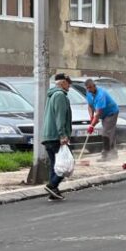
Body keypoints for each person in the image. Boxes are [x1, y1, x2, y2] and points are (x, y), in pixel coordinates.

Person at [41, 73, 73, 201]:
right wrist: (63, 135)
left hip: (49, 135)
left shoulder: (52, 95)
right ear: (63, 83)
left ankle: (53, 192)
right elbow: (60, 117)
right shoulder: (59, 95)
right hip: (56, 136)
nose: (69, 86)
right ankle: (52, 185)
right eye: (68, 83)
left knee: (56, 165)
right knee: (66, 164)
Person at [85, 79, 120, 161]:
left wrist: (91, 126)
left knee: (105, 133)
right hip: (103, 115)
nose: (89, 90)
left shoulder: (101, 95)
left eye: (90, 87)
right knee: (109, 133)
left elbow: (98, 113)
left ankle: (106, 155)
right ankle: (114, 153)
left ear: (94, 86)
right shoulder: (88, 93)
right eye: (87, 88)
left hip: (111, 113)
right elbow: (90, 106)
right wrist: (91, 117)